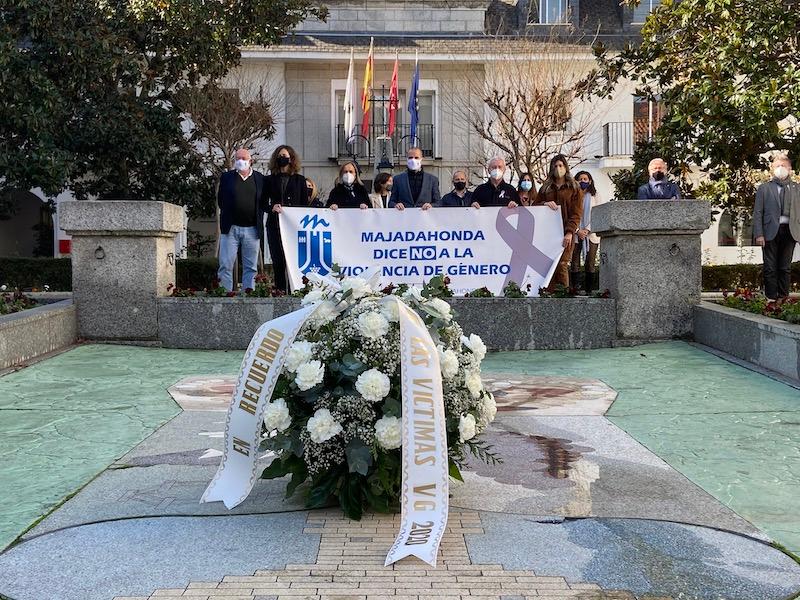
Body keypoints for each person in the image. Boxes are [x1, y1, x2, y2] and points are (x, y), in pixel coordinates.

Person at [217, 148, 267, 292]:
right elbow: (221, 200)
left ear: (250, 161)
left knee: (250, 267)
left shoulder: (260, 178)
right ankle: (225, 294)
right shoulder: (226, 177)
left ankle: (249, 294)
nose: (240, 161)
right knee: (226, 264)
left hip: (252, 229)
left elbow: (263, 201)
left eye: (244, 158)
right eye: (238, 158)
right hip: (230, 228)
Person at [753, 153, 800, 300]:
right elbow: (758, 212)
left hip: (790, 231)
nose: (780, 169)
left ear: (790, 168)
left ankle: (783, 298)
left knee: (785, 267)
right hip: (770, 231)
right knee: (769, 267)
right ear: (772, 168)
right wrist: (759, 234)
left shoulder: (797, 188)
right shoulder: (764, 188)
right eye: (777, 166)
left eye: (783, 166)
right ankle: (771, 298)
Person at [533, 154, 583, 289]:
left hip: (565, 232)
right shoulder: (546, 188)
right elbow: (534, 206)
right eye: (555, 166)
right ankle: (547, 293)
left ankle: (562, 295)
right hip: (548, 233)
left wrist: (570, 232)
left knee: (562, 264)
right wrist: (544, 203)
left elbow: (576, 213)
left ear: (566, 167)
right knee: (548, 265)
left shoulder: (574, 188)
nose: (558, 168)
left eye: (560, 165)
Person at [264, 145, 308, 293]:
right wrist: (271, 208)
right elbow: (263, 203)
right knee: (278, 259)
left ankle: (295, 288)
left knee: (293, 259)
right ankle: (280, 290)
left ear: (291, 158)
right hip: (274, 225)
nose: (283, 158)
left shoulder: (300, 180)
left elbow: (304, 204)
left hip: (293, 227)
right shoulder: (269, 180)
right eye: (280, 155)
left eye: (286, 155)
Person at [570, 171, 604, 293]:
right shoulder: (572, 196)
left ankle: (589, 290)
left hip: (591, 234)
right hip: (575, 233)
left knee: (590, 262)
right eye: (580, 179)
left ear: (590, 181)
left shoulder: (595, 195)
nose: (583, 181)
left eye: (585, 179)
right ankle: (576, 289)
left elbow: (599, 212)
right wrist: (578, 230)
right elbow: (570, 214)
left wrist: (587, 229)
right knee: (574, 261)